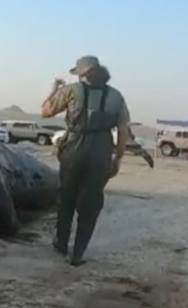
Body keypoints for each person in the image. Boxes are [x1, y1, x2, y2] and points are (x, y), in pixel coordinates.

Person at [39, 56, 131, 266]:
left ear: (83, 74)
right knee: (91, 202)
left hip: (74, 146)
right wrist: (118, 158)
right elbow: (123, 129)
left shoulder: (72, 91)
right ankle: (78, 253)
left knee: (66, 196)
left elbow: (45, 112)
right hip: (101, 149)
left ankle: (61, 243)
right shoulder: (116, 96)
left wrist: (54, 88)